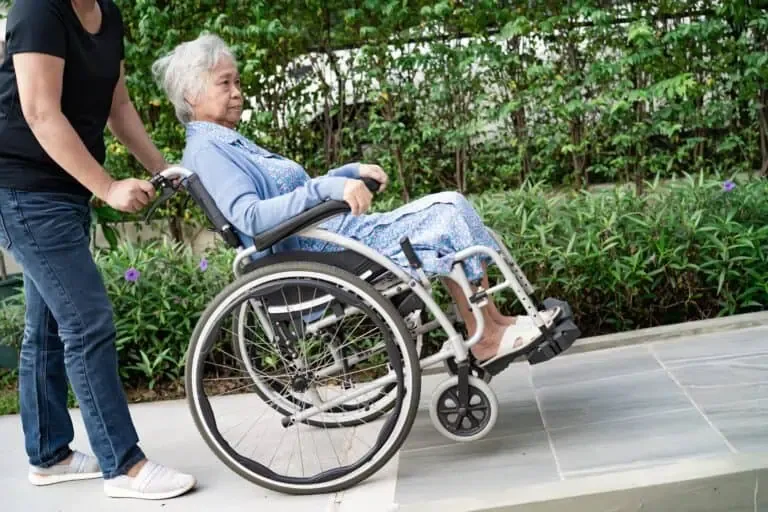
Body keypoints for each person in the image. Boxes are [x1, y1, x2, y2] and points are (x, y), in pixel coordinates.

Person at [152, 33, 560, 368]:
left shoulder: (227, 142)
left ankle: (492, 322)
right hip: (319, 253)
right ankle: (485, 337)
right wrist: (328, 189)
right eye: (225, 83)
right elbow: (253, 217)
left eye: (237, 82)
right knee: (447, 210)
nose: (237, 93)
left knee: (447, 211)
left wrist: (348, 173)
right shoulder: (209, 151)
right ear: (191, 94)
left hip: (329, 239)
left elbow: (292, 192)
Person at [0, 0, 195, 500]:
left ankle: (49, 455)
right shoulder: (36, 11)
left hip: (61, 191)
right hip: (21, 189)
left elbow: (118, 107)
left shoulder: (107, 13)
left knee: (47, 326)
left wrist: (162, 168)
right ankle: (123, 465)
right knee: (87, 320)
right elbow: (40, 113)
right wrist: (107, 187)